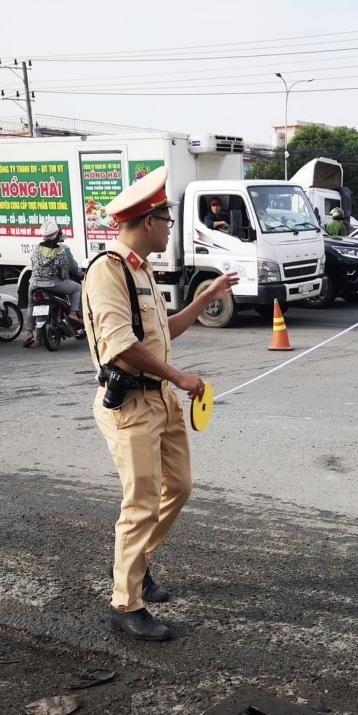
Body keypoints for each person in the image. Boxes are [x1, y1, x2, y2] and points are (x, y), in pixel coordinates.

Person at [83, 166, 237, 642]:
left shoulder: (141, 271)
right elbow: (121, 346)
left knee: (181, 487)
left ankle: (138, 564)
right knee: (141, 502)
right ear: (148, 221)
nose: (171, 225)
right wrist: (179, 376)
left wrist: (206, 296)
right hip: (130, 405)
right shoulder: (108, 272)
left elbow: (162, 331)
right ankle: (125, 601)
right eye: (167, 217)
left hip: (162, 401)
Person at [23, 220, 85, 348]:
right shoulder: (60, 251)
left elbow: (34, 265)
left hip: (34, 284)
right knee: (77, 288)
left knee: (31, 305)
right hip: (53, 284)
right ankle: (73, 313)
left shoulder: (36, 249)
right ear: (57, 234)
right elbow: (64, 273)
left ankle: (29, 333)